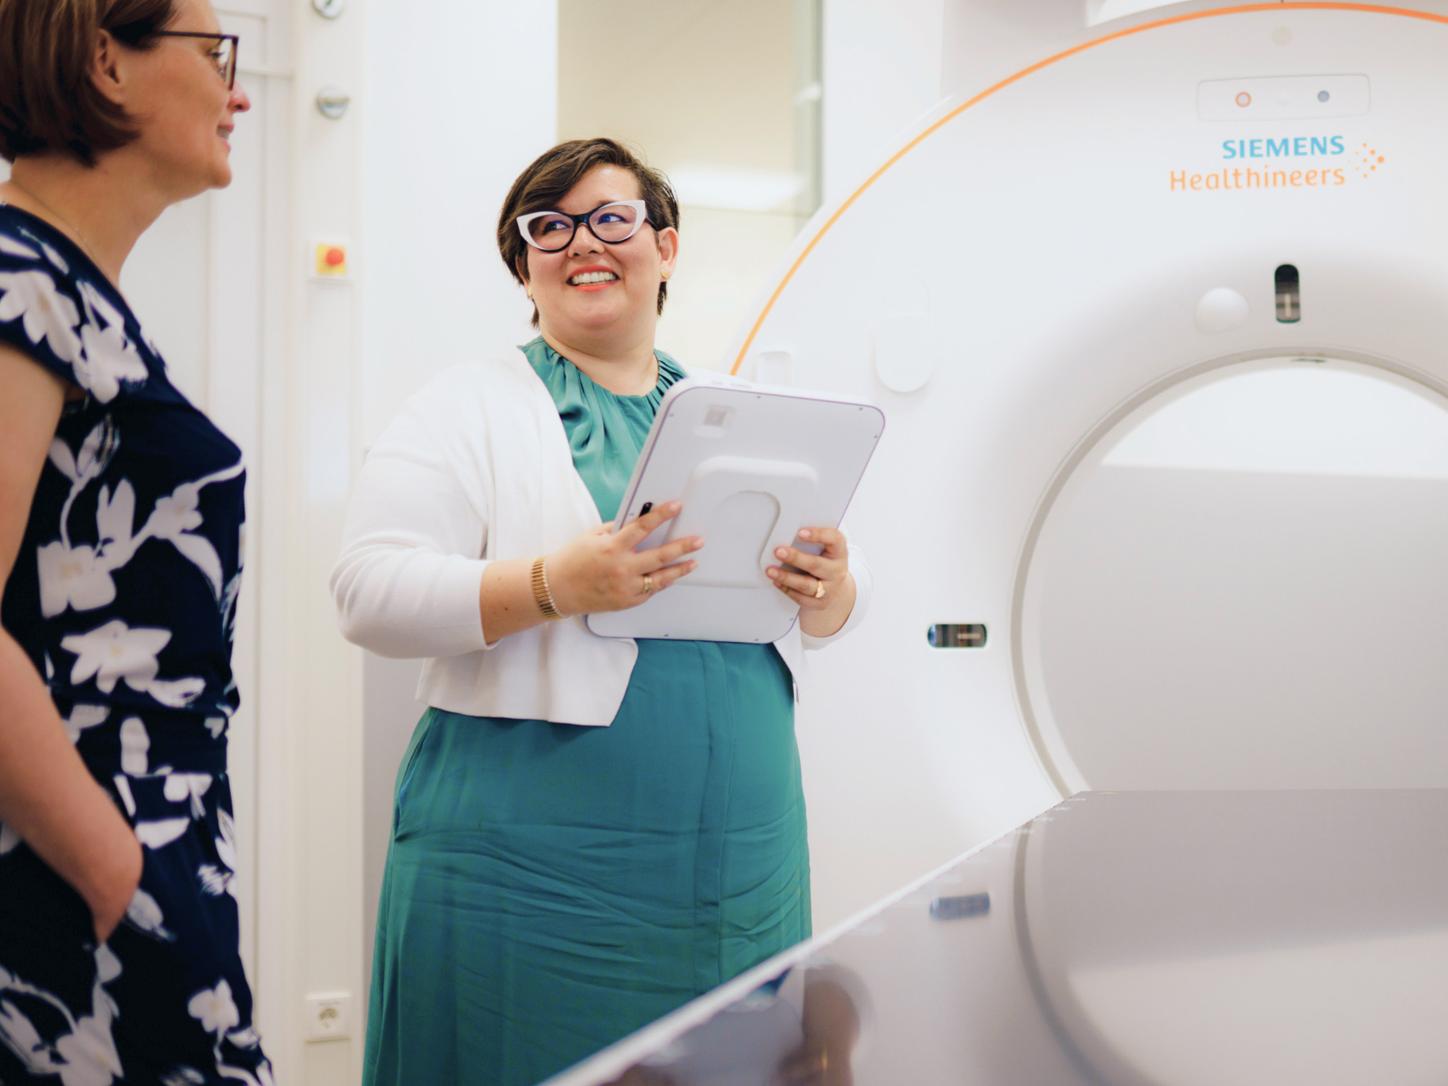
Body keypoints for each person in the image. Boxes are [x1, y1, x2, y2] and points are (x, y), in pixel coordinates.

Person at [332, 137, 872, 1085]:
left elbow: (831, 609)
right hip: (532, 875)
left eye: (612, 219)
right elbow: (368, 594)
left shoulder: (735, 409)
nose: (583, 242)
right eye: (550, 227)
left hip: (744, 867)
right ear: (523, 266)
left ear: (665, 249)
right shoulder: (467, 406)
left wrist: (831, 589)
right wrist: (550, 585)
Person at [0, 0, 272, 1081]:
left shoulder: (71, 290)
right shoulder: (21, 278)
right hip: (76, 882)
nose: (238, 91)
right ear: (106, 61)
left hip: (130, 870)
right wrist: (124, 880)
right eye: (217, 56)